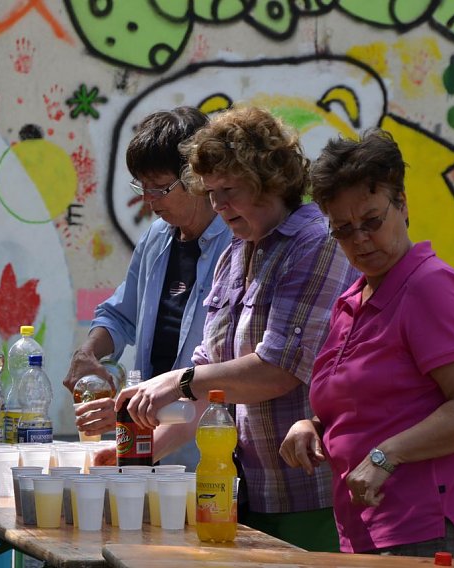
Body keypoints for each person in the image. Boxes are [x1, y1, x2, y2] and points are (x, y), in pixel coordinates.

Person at [109, 106, 357, 551]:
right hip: (242, 487)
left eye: (228, 190)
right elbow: (210, 378)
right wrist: (132, 457)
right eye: (210, 191)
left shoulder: (315, 243)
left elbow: (277, 369)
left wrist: (177, 380)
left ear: (271, 180)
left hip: (310, 490)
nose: (217, 205)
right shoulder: (237, 251)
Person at [279, 128, 454, 558]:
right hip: (366, 532)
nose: (359, 238)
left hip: (428, 528)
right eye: (342, 229)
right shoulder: (355, 298)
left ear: (403, 206)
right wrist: (312, 426)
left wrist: (386, 456)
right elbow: (370, 405)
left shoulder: (430, 287)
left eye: (372, 221)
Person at [65, 107, 231, 470]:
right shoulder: (157, 238)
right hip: (146, 444)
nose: (148, 199)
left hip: (212, 454)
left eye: (160, 187)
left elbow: (220, 377)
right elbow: (119, 315)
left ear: (198, 178)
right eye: (143, 186)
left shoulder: (236, 245)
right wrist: (90, 352)